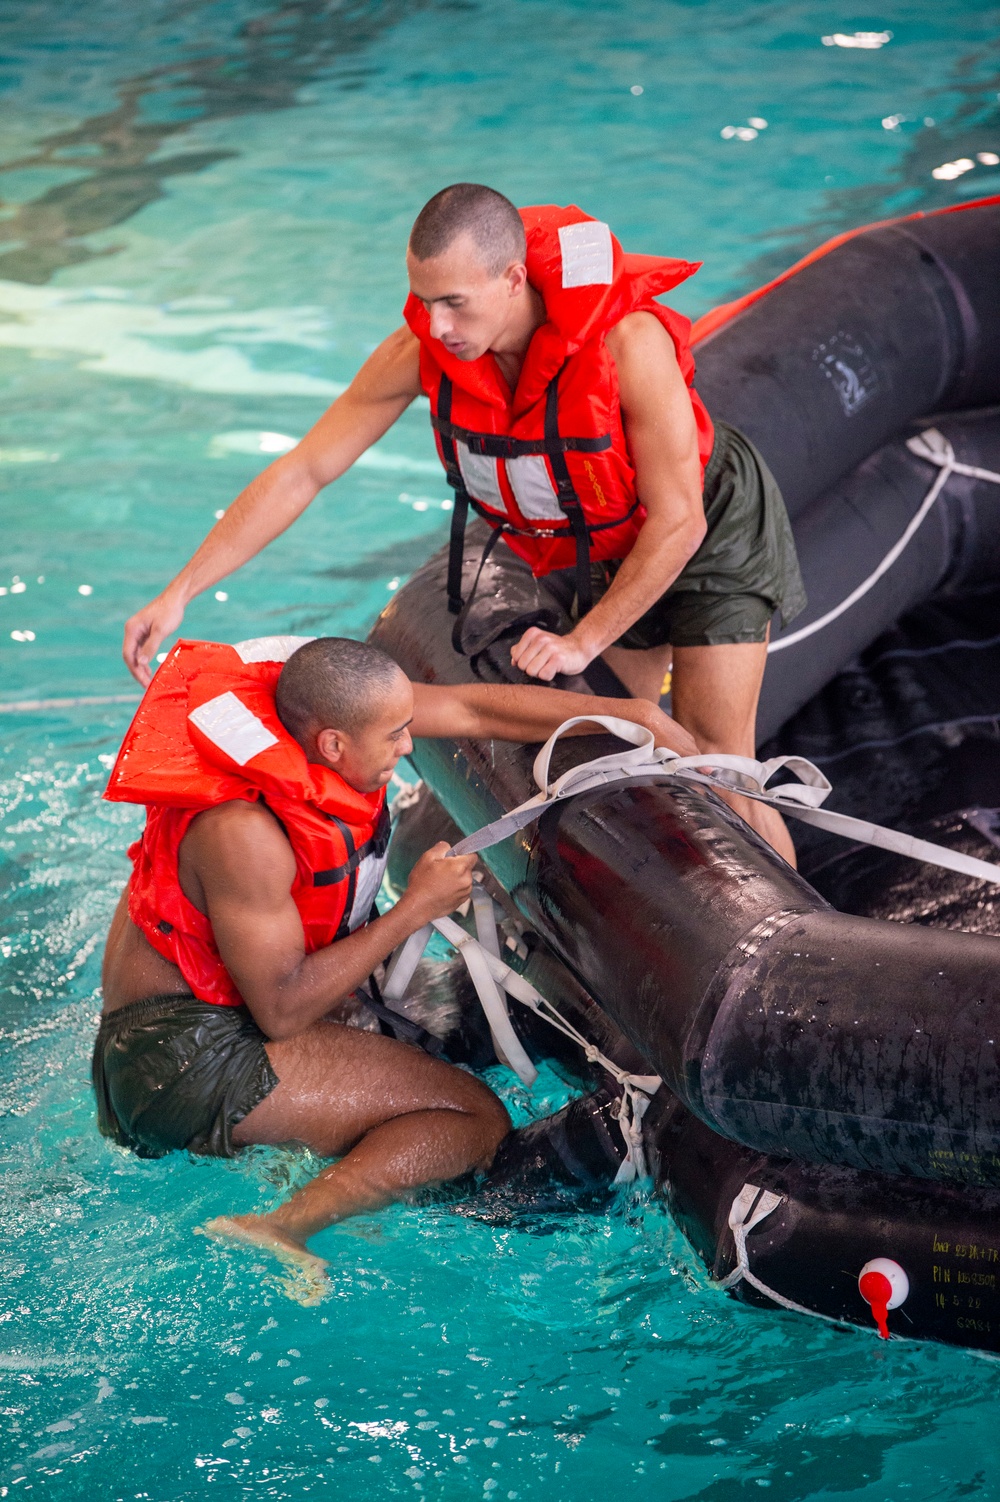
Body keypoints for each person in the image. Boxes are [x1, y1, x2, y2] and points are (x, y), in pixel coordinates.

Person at [121, 184, 804, 862]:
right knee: (631, 747)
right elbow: (306, 469)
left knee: (718, 760)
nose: (437, 325)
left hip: (709, 529)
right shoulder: (422, 353)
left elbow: (679, 522)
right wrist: (181, 589)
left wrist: (581, 642)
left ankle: (801, 939)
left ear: (512, 279)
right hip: (599, 545)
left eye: (454, 301)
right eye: (424, 300)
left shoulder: (628, 344)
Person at [96, 633, 696, 1302]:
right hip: (181, 1059)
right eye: (397, 737)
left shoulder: (343, 715)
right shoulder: (245, 832)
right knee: (470, 1117)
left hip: (224, 1015)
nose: (410, 746)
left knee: (432, 1036)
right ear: (332, 746)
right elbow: (283, 1010)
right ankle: (281, 1225)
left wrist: (636, 715)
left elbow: (471, 711)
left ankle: (309, 1164)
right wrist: (414, 909)